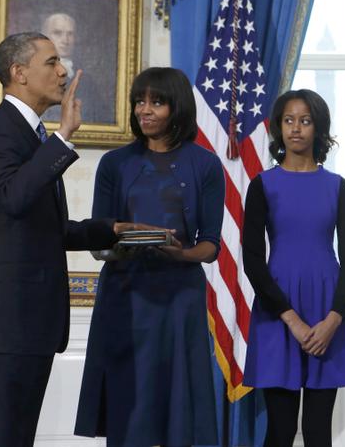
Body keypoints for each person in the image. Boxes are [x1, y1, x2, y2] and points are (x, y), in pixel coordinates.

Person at [0, 32, 141, 447]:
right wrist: (63, 137)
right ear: (19, 73)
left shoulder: (30, 136)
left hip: (27, 324)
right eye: (51, 61)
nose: (63, 70)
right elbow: (15, 199)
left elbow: (40, 229)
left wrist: (110, 229)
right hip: (2, 324)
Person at [74, 67, 225, 446]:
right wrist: (122, 237)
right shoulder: (114, 163)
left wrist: (182, 253)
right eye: (139, 101)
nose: (145, 110)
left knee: (180, 412)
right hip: (125, 296)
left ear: (178, 108)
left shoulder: (205, 164)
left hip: (180, 298)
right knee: (131, 410)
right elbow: (98, 238)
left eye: (156, 102)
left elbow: (210, 244)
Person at [242, 89, 345, 447]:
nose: (296, 128)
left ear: (319, 129)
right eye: (288, 120)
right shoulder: (262, 185)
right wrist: (291, 319)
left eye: (305, 120)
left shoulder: (338, 187)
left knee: (317, 433)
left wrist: (333, 319)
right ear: (279, 128)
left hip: (328, 310)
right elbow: (252, 261)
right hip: (278, 311)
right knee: (278, 432)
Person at [40, 12, 112, 124]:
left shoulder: (87, 81)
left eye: (70, 34)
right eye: (58, 33)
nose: (65, 40)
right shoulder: (35, 76)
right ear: (45, 37)